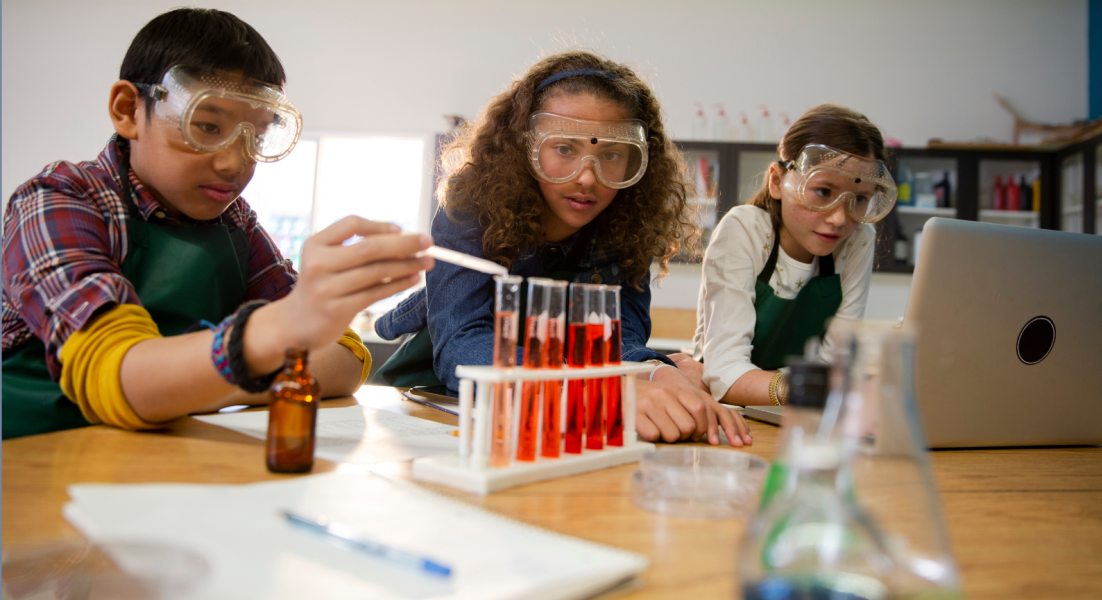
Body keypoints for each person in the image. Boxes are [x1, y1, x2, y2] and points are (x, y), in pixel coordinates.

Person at [1, 8, 433, 439]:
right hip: (36, 466)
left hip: (161, 469)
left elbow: (344, 358)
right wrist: (273, 340)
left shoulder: (235, 224)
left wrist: (188, 386)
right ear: (129, 110)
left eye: (257, 137)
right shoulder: (59, 200)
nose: (235, 163)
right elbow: (118, 376)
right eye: (207, 126)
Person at [373, 50, 751, 446]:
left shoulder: (628, 225)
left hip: (560, 413)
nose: (588, 177)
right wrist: (596, 392)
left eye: (611, 154)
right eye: (564, 149)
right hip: (437, 402)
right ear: (526, 147)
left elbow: (620, 338)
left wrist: (657, 369)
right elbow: (464, 346)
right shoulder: (471, 208)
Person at [693, 104, 896, 407]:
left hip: (799, 413)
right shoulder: (745, 229)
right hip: (726, 411)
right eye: (824, 192)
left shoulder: (857, 240)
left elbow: (834, 364)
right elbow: (725, 373)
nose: (840, 219)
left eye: (860, 199)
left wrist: (811, 387)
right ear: (777, 181)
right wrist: (811, 388)